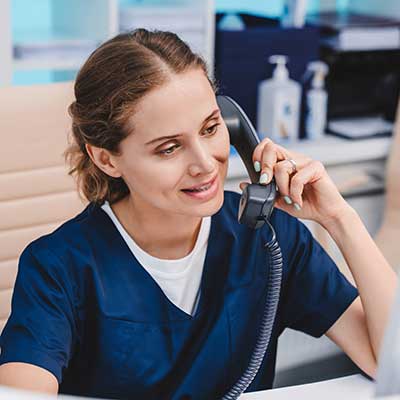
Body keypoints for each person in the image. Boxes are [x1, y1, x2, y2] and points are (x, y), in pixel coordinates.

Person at [0, 29, 397, 399]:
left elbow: (391, 364)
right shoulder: (58, 266)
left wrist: (340, 219)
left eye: (210, 129)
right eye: (169, 148)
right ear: (106, 158)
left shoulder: (268, 236)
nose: (205, 164)